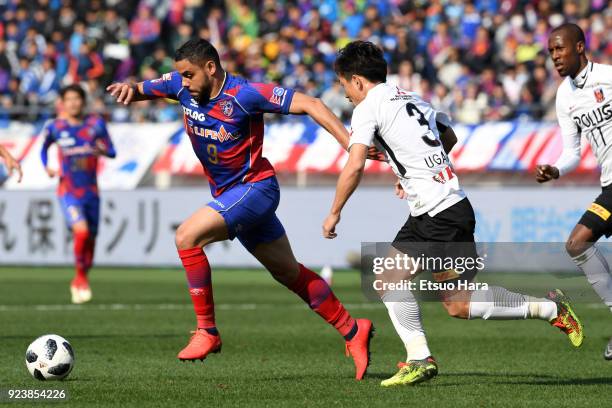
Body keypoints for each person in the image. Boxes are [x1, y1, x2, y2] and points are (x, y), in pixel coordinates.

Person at [105, 38, 374, 379]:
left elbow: (311, 103)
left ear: (211, 68)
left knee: (187, 237)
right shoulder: (179, 85)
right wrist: (131, 90)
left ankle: (207, 331)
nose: (183, 83)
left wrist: (352, 146)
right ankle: (353, 330)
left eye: (189, 75)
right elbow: (146, 88)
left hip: (255, 188)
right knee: (288, 273)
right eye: (180, 77)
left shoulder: (244, 95)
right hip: (232, 195)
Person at [324, 40, 583, 387]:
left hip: (441, 214)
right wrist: (413, 172)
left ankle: (424, 357)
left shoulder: (368, 107)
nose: (346, 96)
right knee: (396, 283)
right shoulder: (412, 98)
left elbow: (354, 166)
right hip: (438, 209)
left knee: (455, 303)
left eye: (344, 86)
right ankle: (423, 356)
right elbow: (450, 137)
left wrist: (335, 212)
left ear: (357, 81)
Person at [536, 23, 612, 360]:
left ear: (580, 47)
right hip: (609, 186)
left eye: (560, 49)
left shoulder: (608, 78)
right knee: (577, 243)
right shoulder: (565, 96)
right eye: (551, 51)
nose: (555, 57)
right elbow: (572, 151)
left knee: (577, 241)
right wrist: (556, 169)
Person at [41, 84, 116, 304]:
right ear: (62, 103)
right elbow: (43, 149)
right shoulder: (56, 127)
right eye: (69, 99)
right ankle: (79, 277)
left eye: (77, 98)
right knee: (81, 232)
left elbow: (112, 151)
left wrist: (102, 150)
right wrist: (47, 167)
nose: (73, 103)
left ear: (83, 101)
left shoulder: (96, 124)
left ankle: (82, 277)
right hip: (68, 191)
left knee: (90, 240)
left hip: (92, 192)